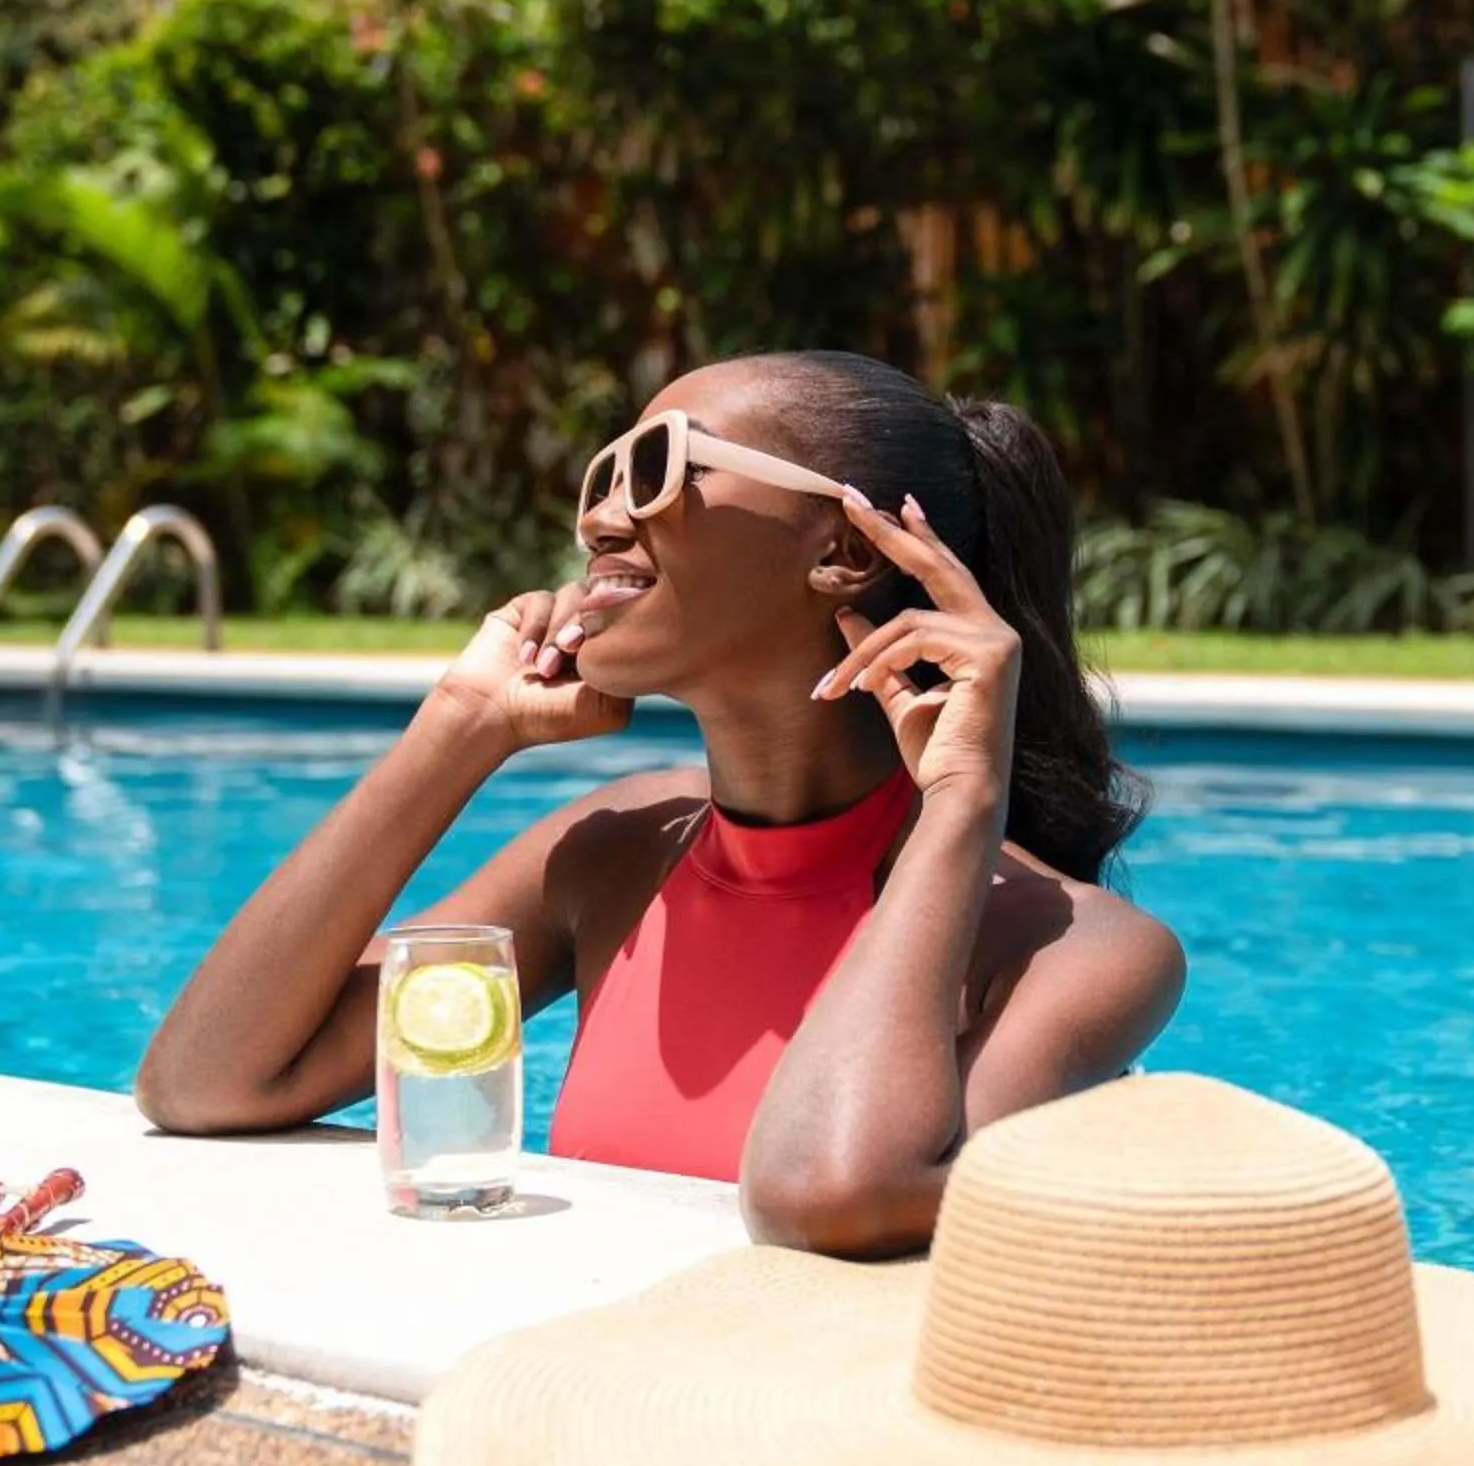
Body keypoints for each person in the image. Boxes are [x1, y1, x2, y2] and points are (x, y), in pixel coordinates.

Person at [136, 350, 1186, 1257]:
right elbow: (209, 1083)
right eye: (604, 472)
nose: (599, 516)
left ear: (842, 551)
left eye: (655, 470)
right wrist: (459, 727)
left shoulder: (1074, 949)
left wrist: (962, 804)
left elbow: (826, 1191)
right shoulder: (616, 855)